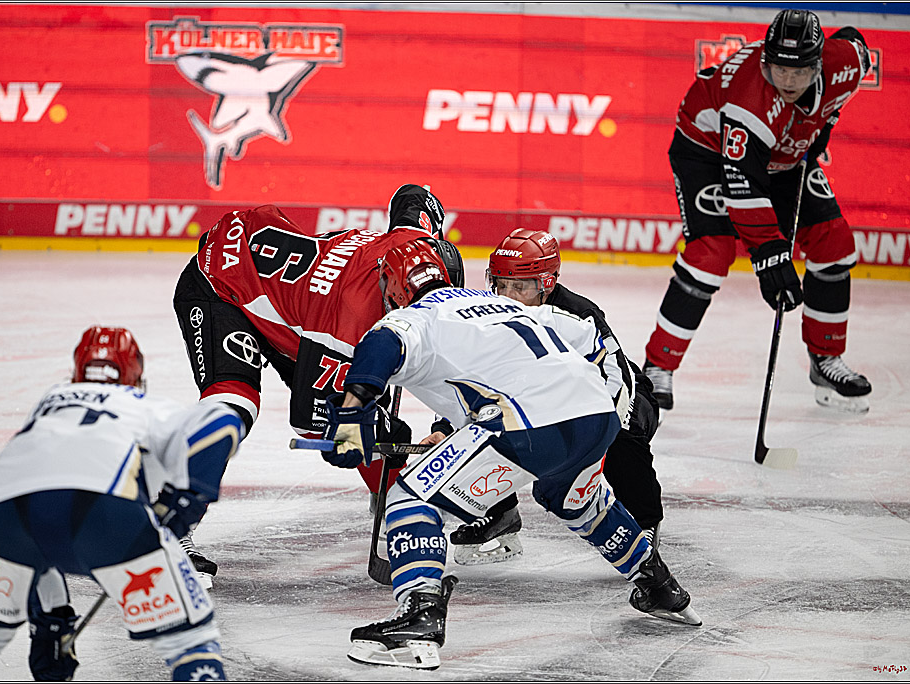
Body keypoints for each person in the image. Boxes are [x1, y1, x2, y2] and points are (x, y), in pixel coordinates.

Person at [322, 240, 700, 670]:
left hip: (528, 421)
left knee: (409, 499)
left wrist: (351, 417)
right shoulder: (500, 304)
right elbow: (588, 337)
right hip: (595, 412)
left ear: (392, 287)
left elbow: (382, 346)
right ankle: (657, 584)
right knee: (574, 498)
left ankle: (420, 617)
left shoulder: (413, 318)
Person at [172, 184, 464, 581]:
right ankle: (169, 529)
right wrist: (375, 430)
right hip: (224, 282)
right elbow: (314, 422)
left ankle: (396, 510)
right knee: (235, 403)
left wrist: (444, 425)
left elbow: (414, 197)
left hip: (296, 302)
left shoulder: (415, 247)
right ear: (390, 298)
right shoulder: (348, 326)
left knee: (366, 410)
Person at [0, 326, 245, 682]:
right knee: (191, 643)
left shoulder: (49, 402)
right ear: (135, 375)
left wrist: (51, 620)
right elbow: (222, 424)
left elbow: (43, 518)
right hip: (106, 515)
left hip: (3, 517)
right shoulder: (143, 405)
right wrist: (186, 501)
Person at [643, 9, 873, 414]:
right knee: (711, 254)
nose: (787, 80)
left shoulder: (846, 66)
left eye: (799, 71)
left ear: (819, 64)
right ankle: (657, 367)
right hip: (709, 152)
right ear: (765, 59)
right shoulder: (750, 98)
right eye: (778, 68)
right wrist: (770, 257)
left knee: (834, 244)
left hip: (783, 155)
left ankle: (826, 359)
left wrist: (825, 122)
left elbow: (855, 41)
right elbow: (744, 185)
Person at [440, 228, 663, 565]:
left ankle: (644, 520)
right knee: (486, 424)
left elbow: (617, 379)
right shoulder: (491, 316)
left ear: (546, 283)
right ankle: (500, 514)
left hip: (614, 395)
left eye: (520, 286)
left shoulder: (579, 314)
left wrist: (593, 440)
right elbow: (469, 382)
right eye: (501, 284)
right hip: (543, 399)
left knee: (621, 435)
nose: (508, 296)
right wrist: (445, 427)